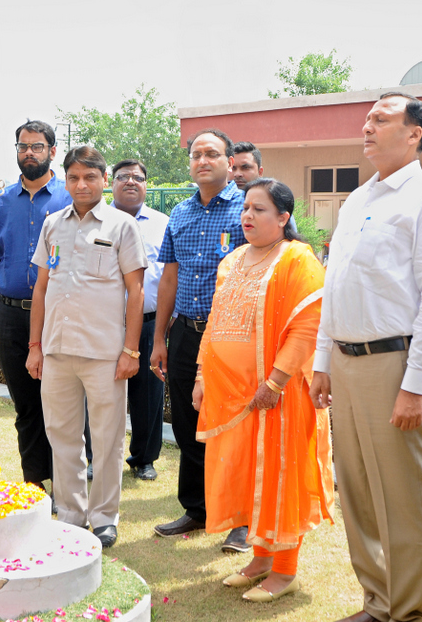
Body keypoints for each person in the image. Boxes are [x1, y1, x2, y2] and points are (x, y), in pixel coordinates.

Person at [309, 93, 422, 622]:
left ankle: (412, 611)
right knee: (358, 492)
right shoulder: (357, 199)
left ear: (414, 133)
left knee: (404, 496)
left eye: (381, 119)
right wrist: (323, 360)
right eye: (367, 118)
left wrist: (415, 385)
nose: (367, 126)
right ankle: (377, 603)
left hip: (394, 364)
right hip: (347, 365)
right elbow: (335, 286)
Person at [194, 177, 334, 602]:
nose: (248, 217)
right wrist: (202, 374)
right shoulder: (233, 260)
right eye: (246, 209)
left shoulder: (297, 259)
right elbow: (216, 321)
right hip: (233, 394)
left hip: (280, 394)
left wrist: (275, 381)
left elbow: (307, 326)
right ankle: (259, 560)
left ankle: (285, 570)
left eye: (259, 209)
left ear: (283, 217)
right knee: (249, 476)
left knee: (280, 475)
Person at [26, 146, 147, 549]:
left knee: (107, 438)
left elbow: (135, 290)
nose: (82, 185)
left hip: (105, 354)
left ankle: (104, 517)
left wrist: (131, 351)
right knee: (61, 435)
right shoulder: (52, 225)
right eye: (74, 177)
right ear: (65, 179)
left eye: (90, 177)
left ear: (102, 180)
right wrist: (35, 346)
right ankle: (71, 514)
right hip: (57, 350)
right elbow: (41, 287)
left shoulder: (121, 226)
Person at [149, 128, 249, 552]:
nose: (202, 161)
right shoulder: (179, 214)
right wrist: (159, 339)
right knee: (188, 425)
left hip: (233, 339)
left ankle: (243, 519)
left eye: (212, 154)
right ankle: (198, 508)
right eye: (196, 154)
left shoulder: (251, 207)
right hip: (187, 333)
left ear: (230, 163)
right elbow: (169, 276)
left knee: (234, 426)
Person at [0, 119, 72, 490]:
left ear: (52, 152)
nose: (29, 153)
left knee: (62, 402)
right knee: (25, 405)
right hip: (9, 314)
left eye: (37, 146)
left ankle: (67, 480)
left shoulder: (70, 198)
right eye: (23, 146)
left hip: (58, 314)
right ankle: (35, 483)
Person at [110, 159, 168, 481]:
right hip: (105, 321)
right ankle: (95, 456)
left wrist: (167, 319)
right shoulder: (96, 220)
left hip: (149, 322)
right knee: (100, 391)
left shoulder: (163, 223)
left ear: (146, 184)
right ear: (112, 183)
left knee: (148, 394)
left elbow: (172, 274)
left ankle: (144, 458)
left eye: (138, 177)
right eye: (123, 177)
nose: (131, 181)